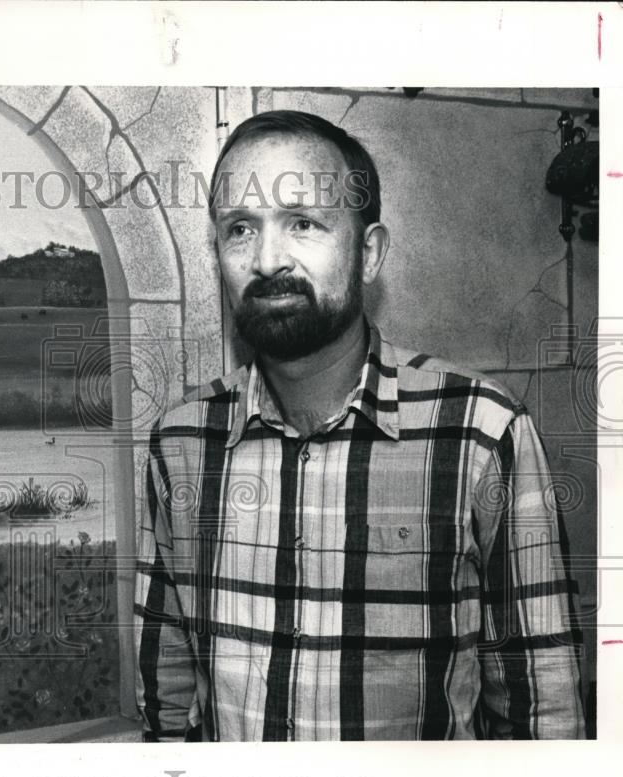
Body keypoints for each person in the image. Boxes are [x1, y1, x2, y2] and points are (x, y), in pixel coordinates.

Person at [133, 110, 585, 741]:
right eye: (240, 229)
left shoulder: (483, 433)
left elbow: (543, 715)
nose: (266, 260)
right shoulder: (179, 444)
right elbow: (170, 703)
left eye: (304, 223)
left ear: (368, 253)